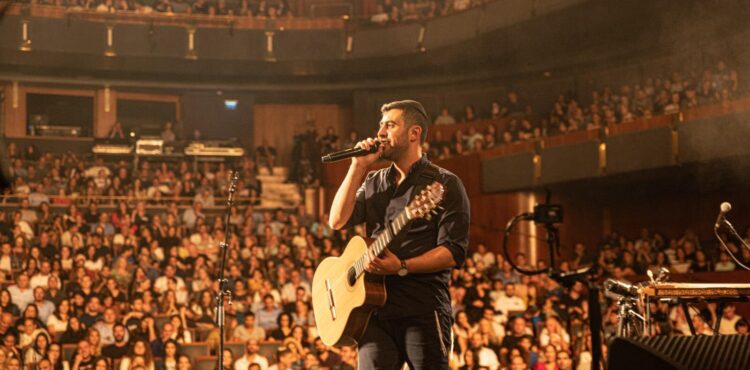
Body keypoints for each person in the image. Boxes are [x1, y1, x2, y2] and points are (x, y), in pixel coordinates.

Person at [328, 100, 470, 369]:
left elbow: (453, 250)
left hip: (422, 309)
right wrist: (357, 167)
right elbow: (336, 220)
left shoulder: (444, 183)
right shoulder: (373, 181)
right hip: (374, 312)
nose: (380, 132)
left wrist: (402, 266)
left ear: (414, 133)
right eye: (380, 125)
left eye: (390, 125)